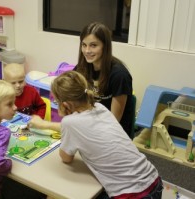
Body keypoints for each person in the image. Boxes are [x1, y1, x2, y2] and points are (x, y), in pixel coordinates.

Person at [29, 71, 163, 199]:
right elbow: (81, 127)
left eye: (57, 103)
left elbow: (66, 158)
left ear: (65, 104)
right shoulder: (100, 107)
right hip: (154, 181)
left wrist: (63, 121)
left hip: (131, 194)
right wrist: (44, 124)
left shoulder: (69, 122)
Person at [74, 21, 133, 137]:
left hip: (113, 134)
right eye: (84, 45)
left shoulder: (119, 75)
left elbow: (114, 121)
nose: (87, 51)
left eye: (93, 45)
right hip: (90, 126)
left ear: (105, 46)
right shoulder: (81, 68)